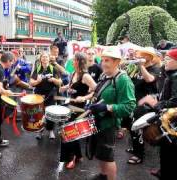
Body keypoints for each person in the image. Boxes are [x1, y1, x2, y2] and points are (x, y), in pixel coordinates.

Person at [89, 47, 136, 180]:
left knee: (108, 156)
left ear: (117, 62)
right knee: (101, 153)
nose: (103, 63)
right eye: (103, 60)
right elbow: (99, 93)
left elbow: (129, 106)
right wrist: (92, 101)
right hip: (98, 121)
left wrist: (107, 107)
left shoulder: (123, 80)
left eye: (107, 60)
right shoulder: (104, 75)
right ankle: (103, 175)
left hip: (109, 124)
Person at [138, 48, 177, 180]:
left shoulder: (176, 78)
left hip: (172, 122)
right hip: (169, 120)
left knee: (169, 151)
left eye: (169, 59)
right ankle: (163, 170)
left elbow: (175, 102)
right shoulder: (170, 75)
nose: (165, 60)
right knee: (165, 150)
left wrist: (154, 103)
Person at [58, 52, 97, 171]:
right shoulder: (74, 73)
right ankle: (78, 155)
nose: (72, 61)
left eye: (74, 60)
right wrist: (65, 88)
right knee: (67, 132)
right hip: (70, 105)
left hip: (79, 108)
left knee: (70, 133)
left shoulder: (85, 76)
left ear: (79, 61)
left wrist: (84, 97)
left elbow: (97, 90)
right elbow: (73, 87)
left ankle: (72, 158)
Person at [124, 47, 161, 165]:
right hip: (134, 101)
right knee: (131, 127)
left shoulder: (156, 68)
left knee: (138, 129)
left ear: (150, 57)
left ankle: (139, 155)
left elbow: (149, 79)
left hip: (145, 103)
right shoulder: (138, 68)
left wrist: (141, 66)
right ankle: (135, 148)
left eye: (145, 55)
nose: (142, 57)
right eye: (141, 54)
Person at [29, 51, 62, 139]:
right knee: (39, 114)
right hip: (39, 95)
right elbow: (31, 83)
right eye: (43, 57)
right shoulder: (37, 69)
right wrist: (37, 81)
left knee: (50, 113)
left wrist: (54, 80)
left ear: (49, 58)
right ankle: (40, 131)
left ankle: (51, 131)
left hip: (50, 95)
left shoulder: (53, 69)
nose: (44, 58)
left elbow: (60, 82)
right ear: (40, 59)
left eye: (46, 57)